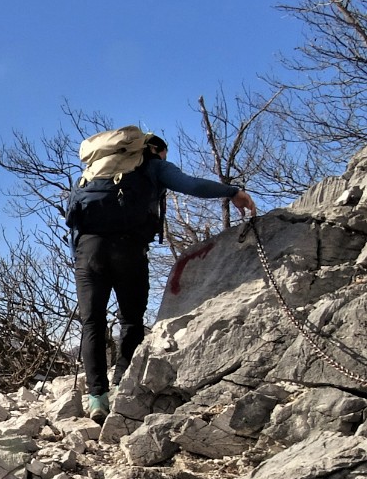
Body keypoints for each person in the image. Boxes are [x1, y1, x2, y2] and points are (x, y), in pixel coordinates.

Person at [72, 132, 257, 423]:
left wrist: (83, 258)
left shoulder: (95, 170)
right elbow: (191, 185)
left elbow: (76, 217)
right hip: (129, 248)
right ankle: (121, 384)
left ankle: (97, 397)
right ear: (156, 150)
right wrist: (232, 191)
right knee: (130, 319)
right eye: (165, 155)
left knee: (91, 322)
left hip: (88, 250)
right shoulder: (153, 165)